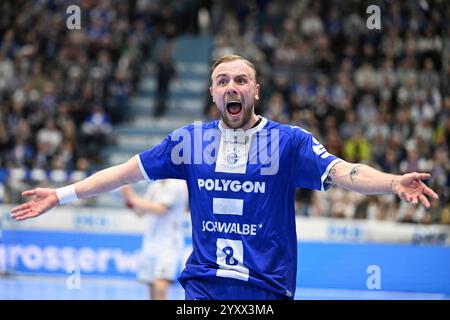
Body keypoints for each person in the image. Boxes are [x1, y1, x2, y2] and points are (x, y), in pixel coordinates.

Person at [11, 55, 439, 300]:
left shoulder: (288, 142)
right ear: (213, 93)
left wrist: (391, 182)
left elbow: (346, 172)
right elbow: (124, 172)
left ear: (256, 91)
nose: (231, 86)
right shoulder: (188, 142)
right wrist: (62, 194)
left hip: (266, 291)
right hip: (202, 289)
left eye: (240, 80)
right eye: (222, 80)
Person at [121, 179, 188, 300]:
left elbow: (160, 209)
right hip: (151, 241)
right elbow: (140, 212)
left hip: (169, 242)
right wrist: (127, 197)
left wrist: (133, 198)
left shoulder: (177, 184)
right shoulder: (155, 185)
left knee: (160, 284)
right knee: (151, 285)